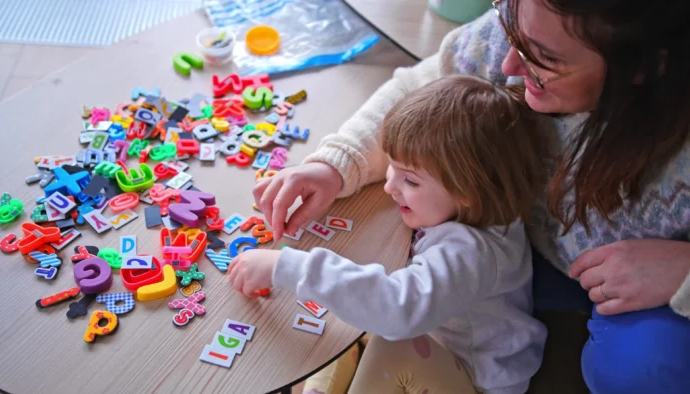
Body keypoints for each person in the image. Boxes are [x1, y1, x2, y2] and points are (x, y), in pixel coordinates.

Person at [252, 0, 690, 392]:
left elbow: (399, 309)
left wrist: (683, 271)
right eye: (510, 24)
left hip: (498, 358)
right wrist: (334, 163)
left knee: (645, 366)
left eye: (545, 59)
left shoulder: (469, 252)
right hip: (520, 271)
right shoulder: (527, 28)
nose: (509, 65)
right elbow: (426, 96)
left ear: (646, 67)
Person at [230, 74, 548, 394]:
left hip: (472, 379)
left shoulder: (471, 254)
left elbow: (398, 311)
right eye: (391, 166)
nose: (389, 186)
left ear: (468, 192)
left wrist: (285, 267)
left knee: (386, 333)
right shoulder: (470, 204)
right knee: (349, 320)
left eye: (410, 180)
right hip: (432, 343)